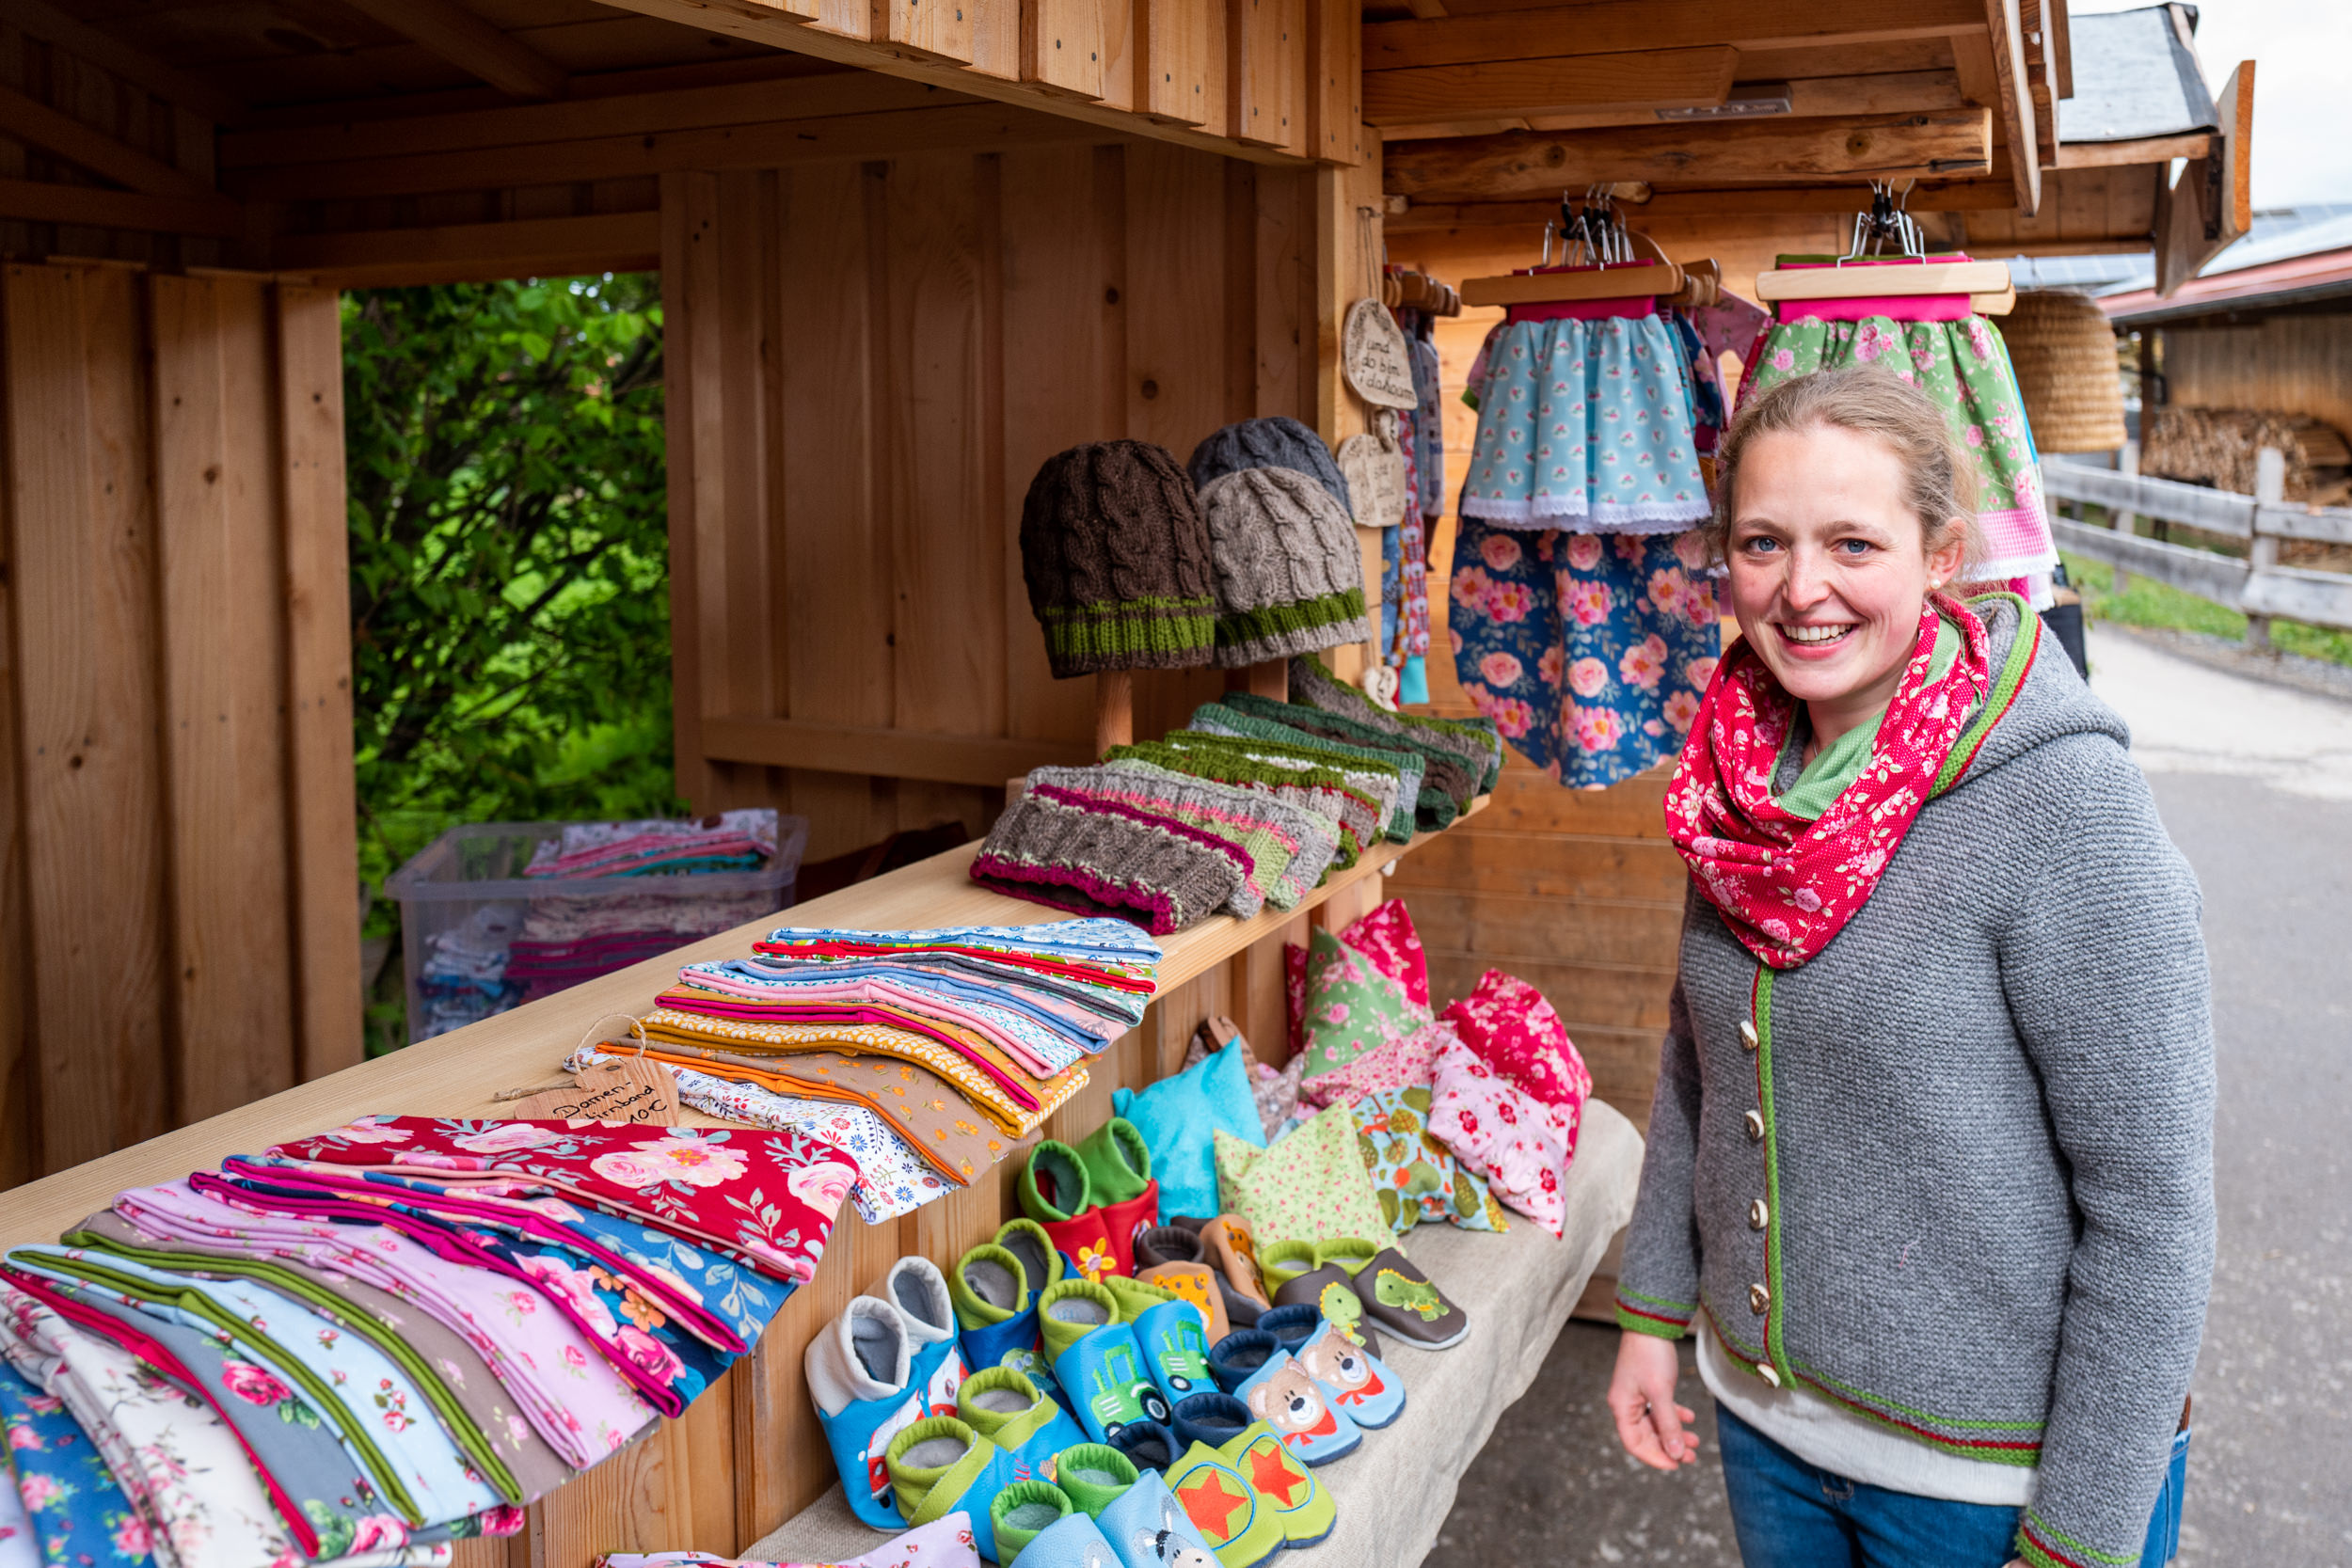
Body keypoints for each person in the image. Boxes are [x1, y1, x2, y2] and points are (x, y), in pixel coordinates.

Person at [1605, 366, 2214, 1568]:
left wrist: (2080, 1537)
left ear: (1939, 557)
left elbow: (2152, 1214)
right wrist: (1651, 1312)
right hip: (1767, 1428)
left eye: (1852, 543)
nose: (1801, 589)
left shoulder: (2067, 807)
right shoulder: (1740, 783)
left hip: (1987, 1487)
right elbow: (1698, 1067)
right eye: (1763, 542)